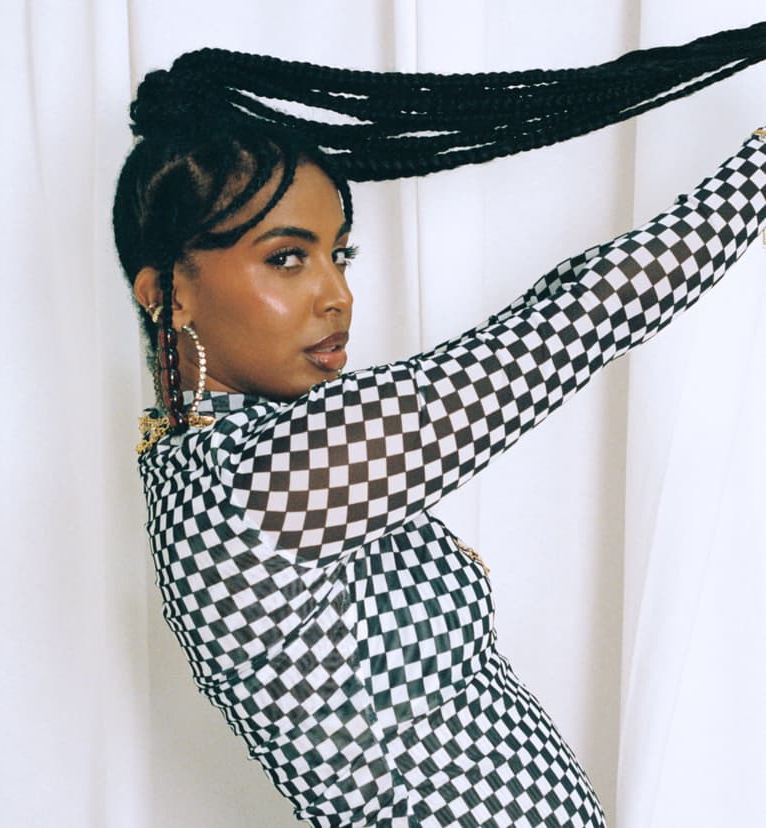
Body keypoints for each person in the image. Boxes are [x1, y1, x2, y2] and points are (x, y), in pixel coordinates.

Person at [113, 24, 766, 828]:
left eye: (339, 255)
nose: (337, 296)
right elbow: (568, 326)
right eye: (287, 257)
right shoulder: (266, 479)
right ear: (168, 293)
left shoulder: (213, 464)